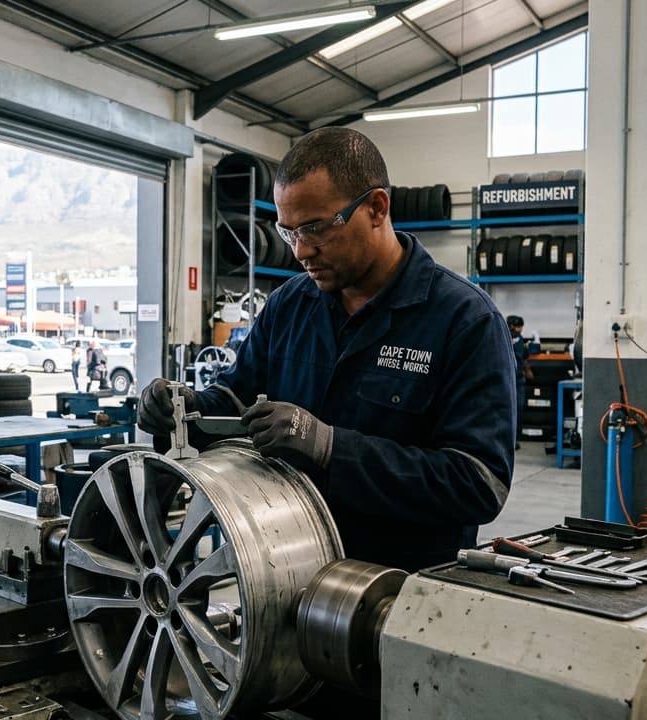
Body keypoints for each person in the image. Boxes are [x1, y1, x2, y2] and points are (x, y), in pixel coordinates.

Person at [137, 126, 517, 571]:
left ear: (377, 208)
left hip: (402, 585)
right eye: (288, 233)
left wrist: (332, 448)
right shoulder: (289, 305)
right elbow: (238, 401)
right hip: (287, 575)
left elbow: (478, 484)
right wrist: (186, 409)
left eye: (316, 228)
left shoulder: (465, 320)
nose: (301, 251)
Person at [506, 315, 533, 450]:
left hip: (518, 380)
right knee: (505, 410)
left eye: (521, 327)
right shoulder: (503, 338)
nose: (520, 329)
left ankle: (514, 439)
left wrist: (527, 371)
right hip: (505, 379)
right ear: (511, 326)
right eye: (518, 327)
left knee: (518, 409)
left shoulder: (521, 341)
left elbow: (524, 358)